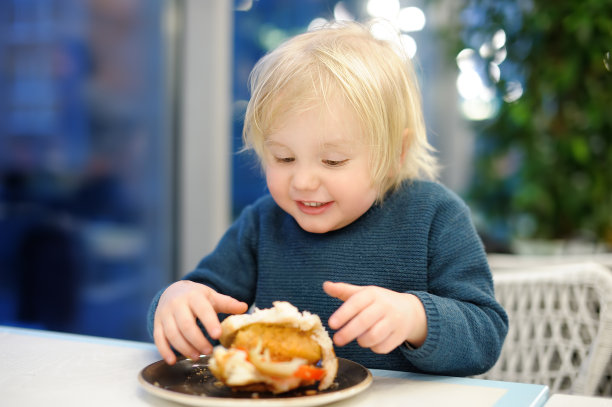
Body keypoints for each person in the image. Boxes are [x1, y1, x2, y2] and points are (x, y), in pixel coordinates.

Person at [148, 21, 508, 376]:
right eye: (283, 158)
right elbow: (204, 305)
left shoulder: (435, 217)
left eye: (332, 161)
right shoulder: (264, 223)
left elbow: (486, 334)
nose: (303, 181)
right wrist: (176, 303)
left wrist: (415, 317)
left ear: (395, 154)